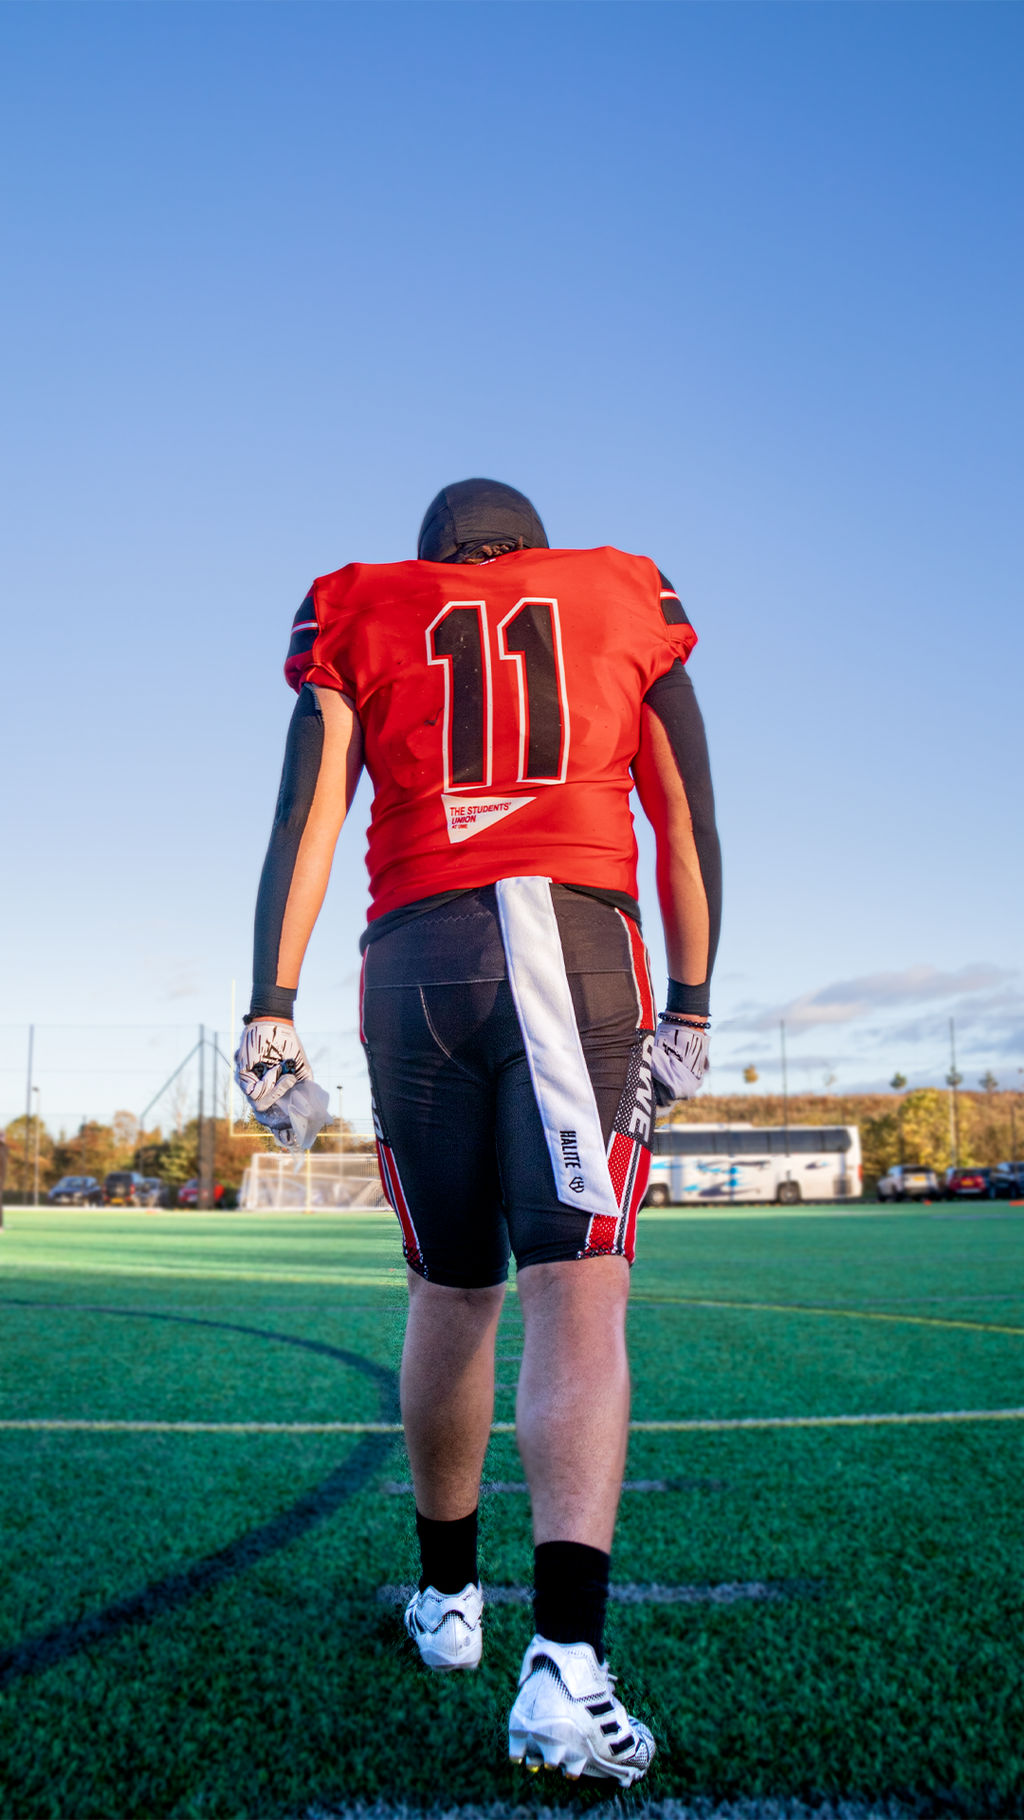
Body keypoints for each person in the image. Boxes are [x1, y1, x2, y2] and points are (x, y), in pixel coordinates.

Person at [236, 479, 721, 1786]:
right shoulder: (621, 591)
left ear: (431, 558)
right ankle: (565, 1663)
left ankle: (450, 1601)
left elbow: (308, 821)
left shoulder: (359, 606)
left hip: (410, 958)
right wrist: (693, 1000)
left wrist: (268, 1011)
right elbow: (683, 813)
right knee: (577, 1289)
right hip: (566, 935)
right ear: (534, 551)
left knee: (449, 1290)